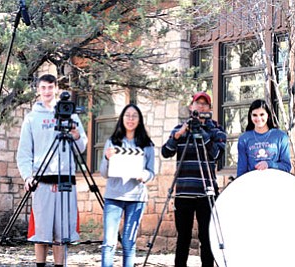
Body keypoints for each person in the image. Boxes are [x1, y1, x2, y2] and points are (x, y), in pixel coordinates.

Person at [16, 74, 87, 267]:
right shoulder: (31, 118)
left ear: (56, 88)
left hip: (65, 180)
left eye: (50, 87)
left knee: (62, 233)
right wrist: (27, 176)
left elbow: (81, 148)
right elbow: (24, 153)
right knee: (42, 232)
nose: (47, 91)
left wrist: (76, 135)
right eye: (43, 88)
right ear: (38, 90)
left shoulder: (71, 115)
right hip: (42, 181)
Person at [162, 91, 226, 267]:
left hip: (207, 193)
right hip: (184, 192)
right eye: (198, 103)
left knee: (207, 237)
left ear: (210, 108)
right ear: (192, 107)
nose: (201, 107)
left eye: (205, 104)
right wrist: (180, 133)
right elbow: (166, 152)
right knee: (183, 237)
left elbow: (217, 154)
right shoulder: (180, 128)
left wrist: (202, 133)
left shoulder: (216, 129)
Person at [100, 104, 155, 267]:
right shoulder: (112, 142)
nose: (130, 119)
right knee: (109, 242)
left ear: (139, 120)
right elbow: (103, 173)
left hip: (136, 197)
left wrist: (143, 175)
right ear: (122, 119)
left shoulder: (147, 144)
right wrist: (107, 158)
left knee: (129, 242)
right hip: (113, 196)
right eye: (127, 115)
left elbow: (152, 172)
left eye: (134, 116)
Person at [237, 99, 291, 177]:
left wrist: (269, 164)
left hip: (276, 183)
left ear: (268, 115)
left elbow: (286, 167)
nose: (258, 118)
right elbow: (241, 171)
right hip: (252, 184)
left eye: (262, 114)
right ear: (250, 116)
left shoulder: (281, 137)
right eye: (255, 115)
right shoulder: (244, 139)